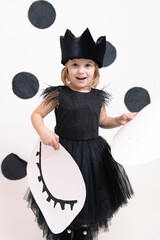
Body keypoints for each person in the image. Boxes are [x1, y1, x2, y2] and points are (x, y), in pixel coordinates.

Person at [27, 28, 136, 240]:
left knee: (88, 200)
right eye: (75, 64)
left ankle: (83, 233)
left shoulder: (98, 97)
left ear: (96, 70)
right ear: (66, 68)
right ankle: (66, 233)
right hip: (63, 154)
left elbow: (102, 121)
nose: (81, 70)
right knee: (64, 199)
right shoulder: (58, 94)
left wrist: (119, 120)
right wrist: (44, 132)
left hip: (92, 158)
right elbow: (36, 115)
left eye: (88, 65)